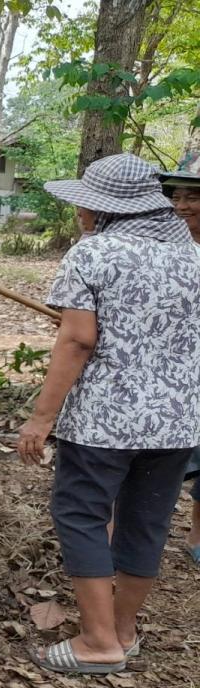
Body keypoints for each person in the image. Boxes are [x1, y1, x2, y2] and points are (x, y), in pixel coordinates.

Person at [16, 154, 200, 675]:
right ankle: (123, 631)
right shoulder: (194, 257)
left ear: (105, 208)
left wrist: (41, 417)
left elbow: (77, 339)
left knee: (81, 515)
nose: (79, 209)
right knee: (147, 522)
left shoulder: (93, 254)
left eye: (85, 201)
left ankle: (98, 642)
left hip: (105, 420)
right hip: (176, 421)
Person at [161, 170, 200, 564]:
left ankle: (197, 536)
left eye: (193, 197)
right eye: (179, 196)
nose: (183, 205)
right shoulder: (164, 248)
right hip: (167, 374)